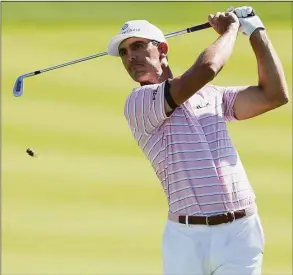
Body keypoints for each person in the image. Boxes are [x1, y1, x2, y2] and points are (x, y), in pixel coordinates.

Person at [107, 6, 289, 275]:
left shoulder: (212, 96)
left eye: (138, 46)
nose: (130, 56)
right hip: (186, 238)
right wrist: (230, 29)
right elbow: (207, 67)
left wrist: (255, 30)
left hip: (241, 233)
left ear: (163, 50)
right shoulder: (139, 103)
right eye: (124, 52)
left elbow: (274, 95)